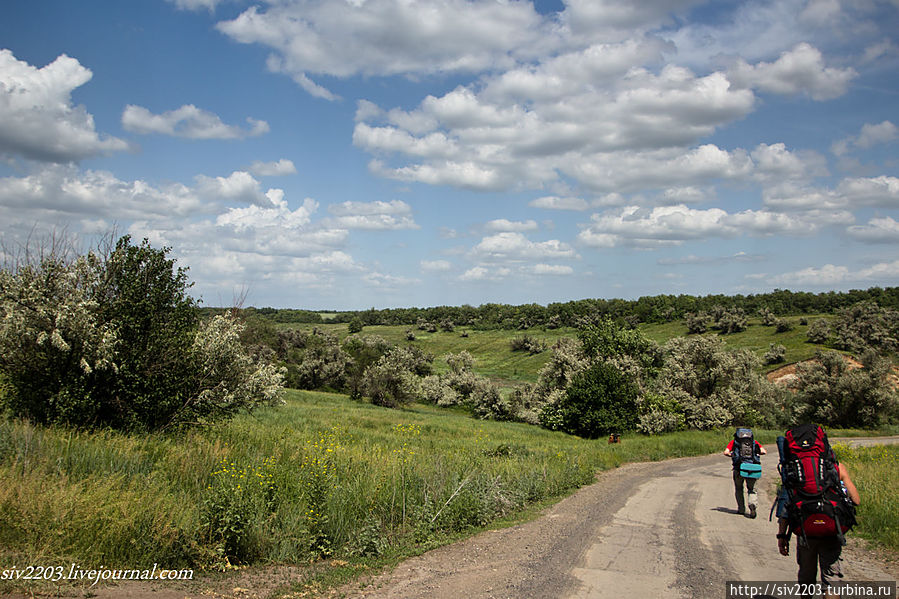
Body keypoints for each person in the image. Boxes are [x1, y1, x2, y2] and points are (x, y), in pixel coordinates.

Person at [777, 463, 861, 597]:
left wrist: (782, 536)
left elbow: (787, 506)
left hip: (806, 532)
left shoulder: (796, 468)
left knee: (806, 577)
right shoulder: (836, 466)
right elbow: (856, 500)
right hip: (831, 532)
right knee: (831, 580)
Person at [723, 430, 766, 517]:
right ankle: (752, 505)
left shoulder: (734, 442)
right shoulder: (754, 442)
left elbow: (726, 452)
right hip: (752, 469)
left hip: (739, 468)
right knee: (752, 489)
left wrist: (732, 455)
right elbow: (763, 451)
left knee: (739, 489)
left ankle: (741, 509)